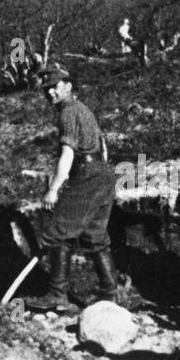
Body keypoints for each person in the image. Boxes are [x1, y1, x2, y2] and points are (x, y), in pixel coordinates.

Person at [27, 66, 119, 313]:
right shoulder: (82, 109)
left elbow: (67, 153)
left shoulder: (68, 112)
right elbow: (102, 146)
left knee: (58, 232)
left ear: (68, 86)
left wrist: (54, 188)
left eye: (54, 87)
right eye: (46, 89)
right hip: (103, 172)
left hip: (88, 174)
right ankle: (110, 293)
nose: (50, 93)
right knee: (94, 235)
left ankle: (57, 294)